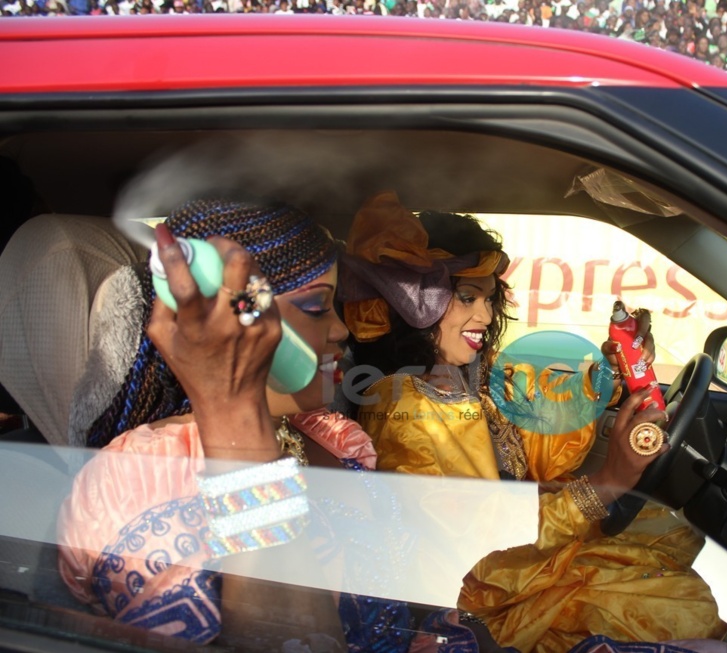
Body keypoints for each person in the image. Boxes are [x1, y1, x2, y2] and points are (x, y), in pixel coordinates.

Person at [57, 199, 484, 652]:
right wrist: (237, 420)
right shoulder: (142, 476)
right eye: (318, 309)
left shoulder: (328, 437)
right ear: (233, 319)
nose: (343, 331)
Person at [341, 192, 727, 653]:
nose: (484, 316)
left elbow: (541, 435)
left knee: (675, 537)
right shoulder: (407, 408)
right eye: (467, 297)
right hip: (493, 603)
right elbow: (480, 556)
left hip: (531, 565)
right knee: (685, 610)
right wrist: (606, 484)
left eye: (489, 298)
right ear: (414, 303)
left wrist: (612, 375)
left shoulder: (466, 378)